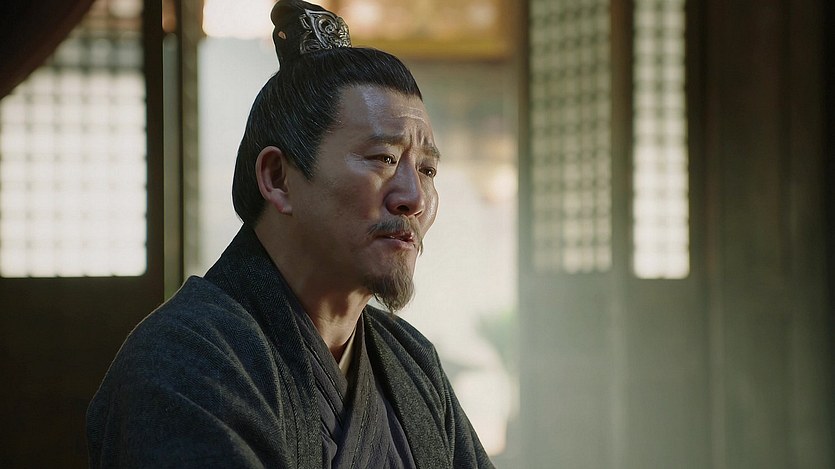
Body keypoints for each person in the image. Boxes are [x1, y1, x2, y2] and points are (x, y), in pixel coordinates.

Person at [86, 0, 494, 467]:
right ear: (278, 178)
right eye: (383, 159)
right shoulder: (184, 358)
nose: (414, 198)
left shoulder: (411, 362)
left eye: (427, 169)